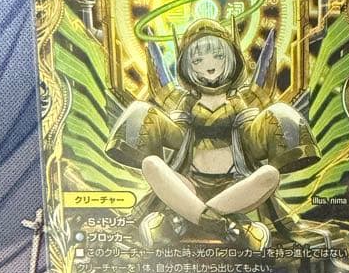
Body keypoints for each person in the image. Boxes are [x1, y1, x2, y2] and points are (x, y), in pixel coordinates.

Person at [107, 18, 319, 250]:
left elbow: (253, 142)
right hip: (188, 186)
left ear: (232, 59)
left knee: (269, 174)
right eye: (198, 60)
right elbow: (175, 137)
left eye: (218, 56)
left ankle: (184, 219)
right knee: (152, 164)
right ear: (186, 66)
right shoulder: (185, 103)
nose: (209, 65)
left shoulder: (239, 104)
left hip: (235, 188)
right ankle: (232, 227)